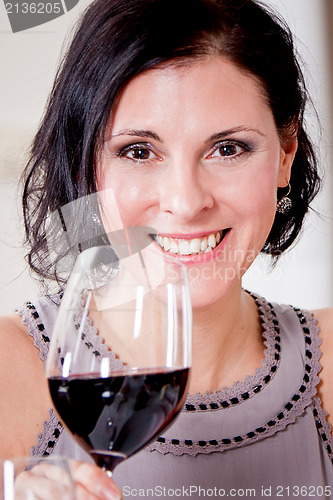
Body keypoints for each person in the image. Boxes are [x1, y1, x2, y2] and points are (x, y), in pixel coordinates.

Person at [0, 0, 332, 498]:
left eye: (228, 148)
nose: (185, 202)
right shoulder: (10, 369)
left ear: (287, 154)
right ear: (89, 165)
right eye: (139, 151)